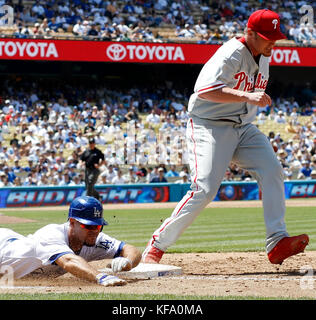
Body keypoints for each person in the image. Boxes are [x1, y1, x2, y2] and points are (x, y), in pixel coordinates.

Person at [142, 9, 309, 266]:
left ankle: (276, 242)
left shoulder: (263, 53)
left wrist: (247, 100)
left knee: (273, 170)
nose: (273, 43)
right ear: (249, 33)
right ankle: (156, 245)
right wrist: (246, 96)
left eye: (275, 37)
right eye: (267, 37)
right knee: (205, 190)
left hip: (243, 127)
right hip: (209, 126)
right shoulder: (230, 53)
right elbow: (205, 90)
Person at [0, 196, 141, 285]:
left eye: (98, 226)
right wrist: (101, 277)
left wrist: (128, 261)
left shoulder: (95, 239)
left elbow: (130, 249)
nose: (95, 231)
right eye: (88, 226)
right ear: (72, 222)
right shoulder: (51, 234)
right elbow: (68, 261)